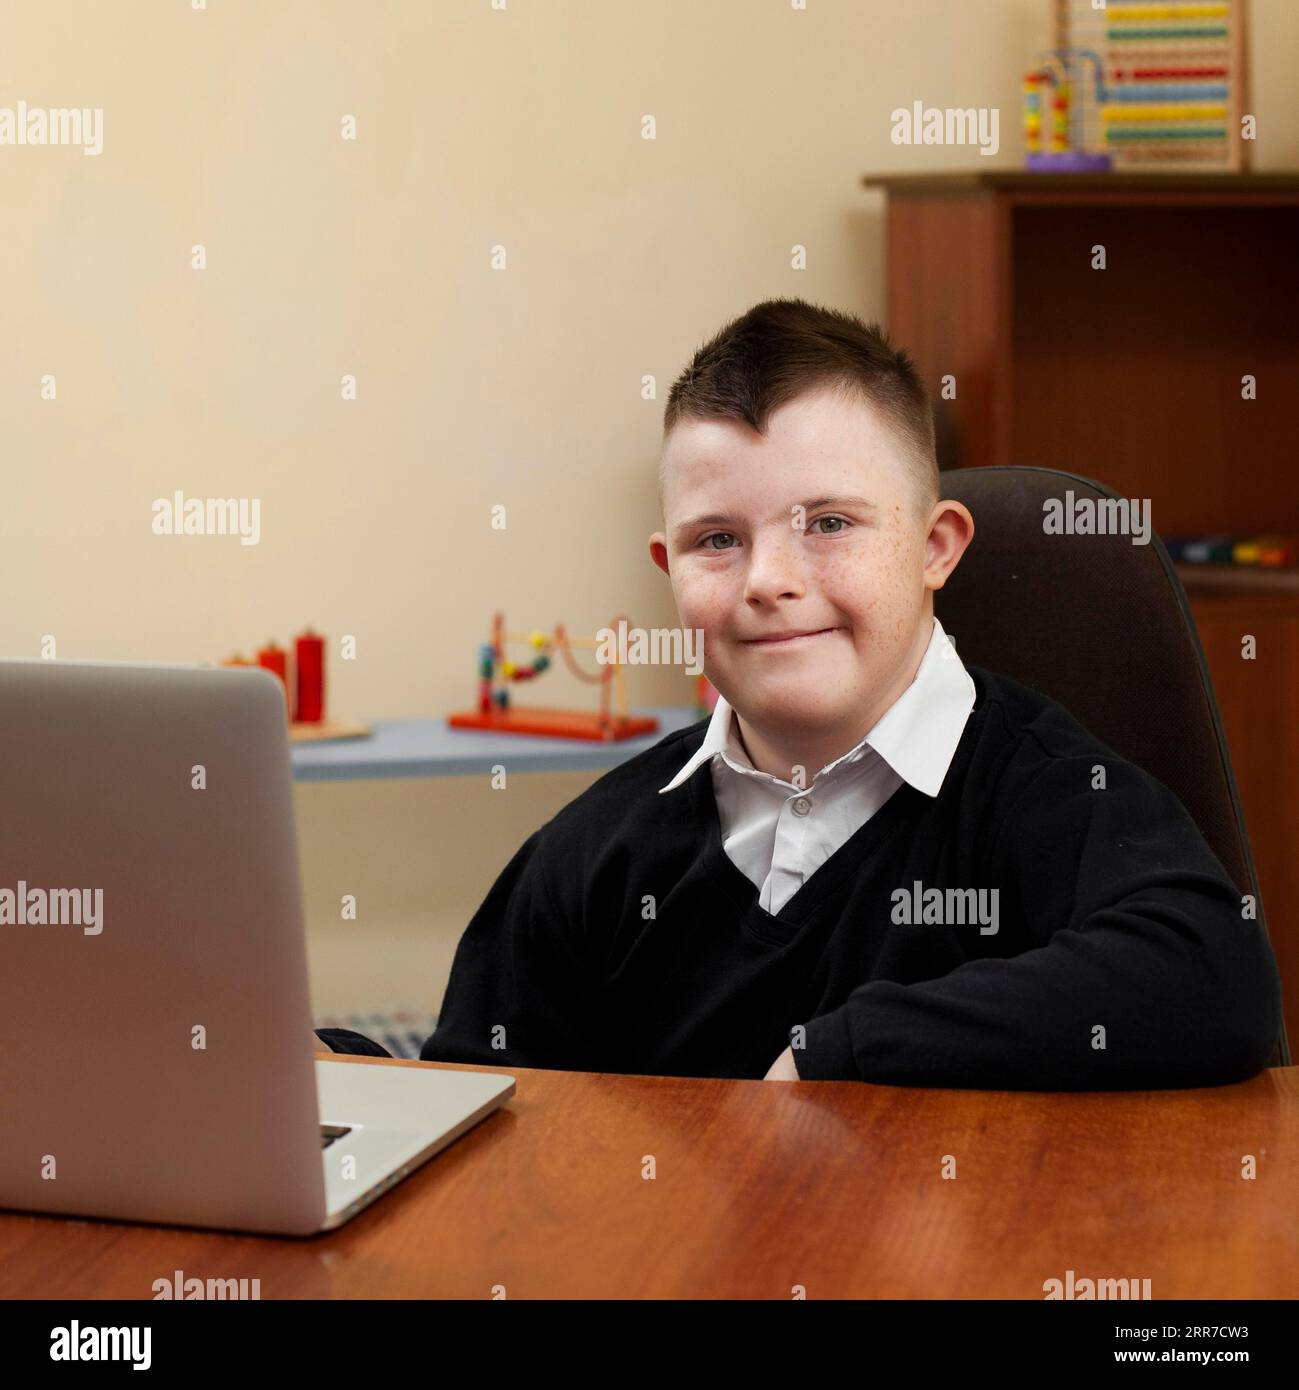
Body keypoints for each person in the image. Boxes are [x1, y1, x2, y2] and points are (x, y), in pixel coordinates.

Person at [317, 297, 1282, 1087]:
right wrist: (332, 1075)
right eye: (716, 540)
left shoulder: (1047, 792)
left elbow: (1210, 977)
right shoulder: (593, 857)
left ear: (934, 547)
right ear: (669, 566)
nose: (767, 579)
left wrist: (842, 1052)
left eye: (827, 522)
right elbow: (492, 1111)